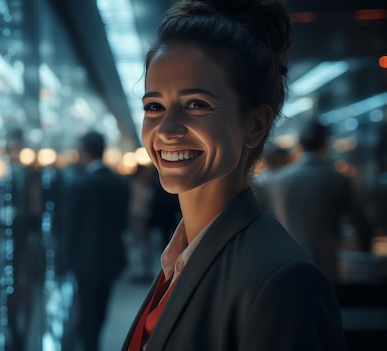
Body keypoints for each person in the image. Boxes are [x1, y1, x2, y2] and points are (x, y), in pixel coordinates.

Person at [122, 0, 345, 350]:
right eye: (154, 106)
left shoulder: (282, 282)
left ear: (255, 125)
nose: (166, 129)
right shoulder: (179, 260)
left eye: (196, 104)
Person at [270, 119, 373, 282]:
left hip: (284, 265)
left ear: (299, 145)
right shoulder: (338, 179)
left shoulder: (278, 180)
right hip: (326, 265)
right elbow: (360, 224)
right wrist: (367, 257)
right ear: (325, 144)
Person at [63, 130, 130, 351]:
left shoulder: (81, 186)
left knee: (87, 313)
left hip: (85, 262)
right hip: (111, 259)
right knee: (100, 312)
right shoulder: (119, 184)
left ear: (85, 152)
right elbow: (123, 223)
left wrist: (65, 260)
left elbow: (71, 228)